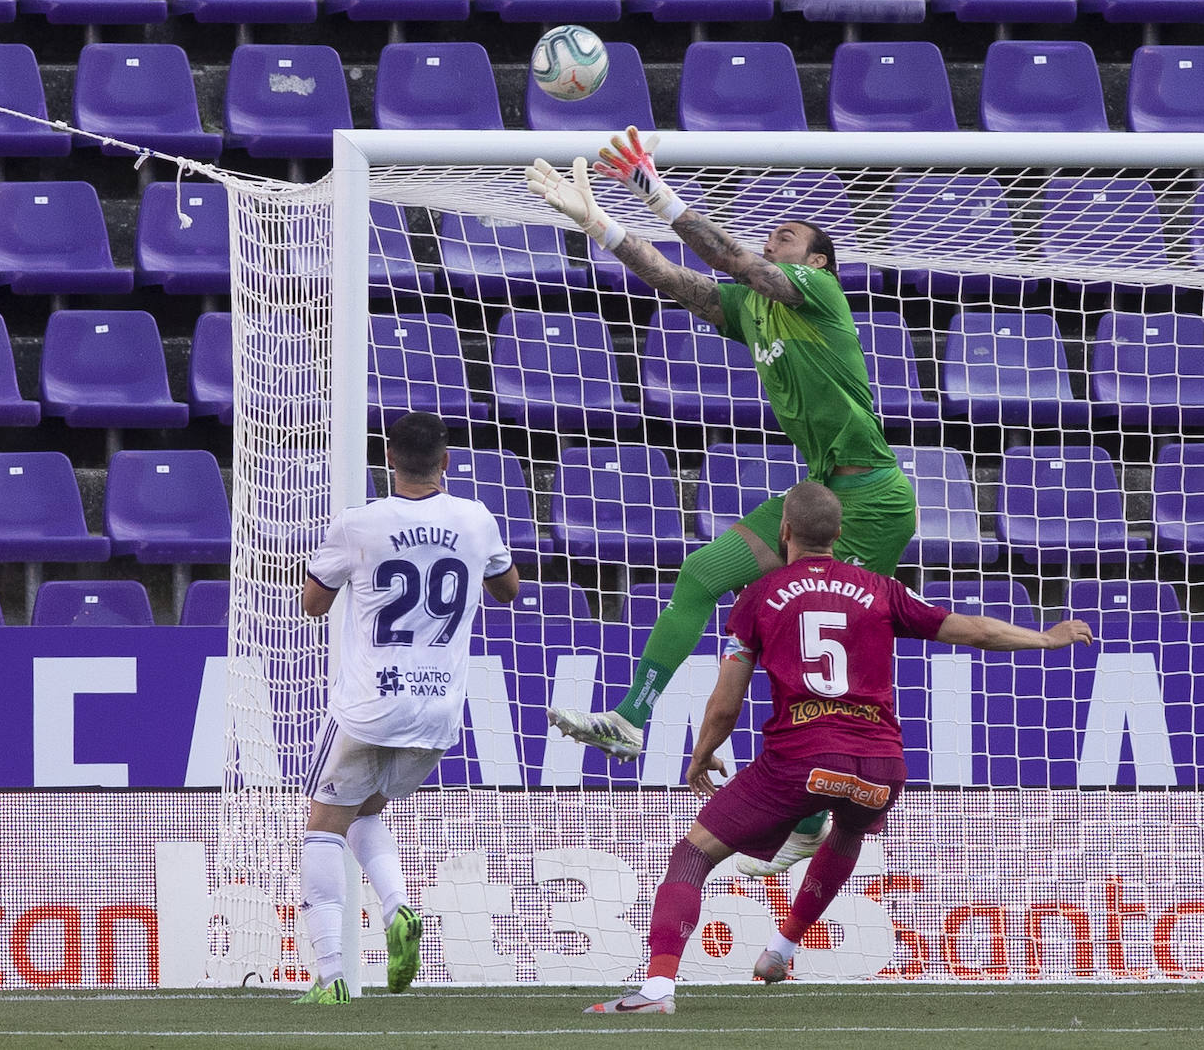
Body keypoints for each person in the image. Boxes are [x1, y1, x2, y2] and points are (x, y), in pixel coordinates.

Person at [526, 127, 917, 876]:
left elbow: (732, 258)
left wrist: (649, 185)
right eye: (775, 231)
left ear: (819, 262)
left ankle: (811, 811)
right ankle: (631, 719)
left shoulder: (818, 294)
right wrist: (598, 224)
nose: (777, 237)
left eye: (792, 235)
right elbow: (684, 281)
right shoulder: (754, 308)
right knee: (704, 573)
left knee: (800, 635)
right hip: (820, 493)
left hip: (874, 497)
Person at [585, 482, 1092, 1013]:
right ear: (840, 532)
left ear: (783, 532)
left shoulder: (758, 597)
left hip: (800, 758)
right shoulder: (882, 588)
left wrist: (703, 751)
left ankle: (658, 989)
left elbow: (725, 702)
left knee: (692, 855)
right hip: (880, 764)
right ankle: (781, 950)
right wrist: (1046, 638)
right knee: (848, 830)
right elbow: (976, 632)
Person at [294, 411, 520, 1004]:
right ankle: (398, 908)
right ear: (446, 461)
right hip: (438, 712)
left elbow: (313, 604)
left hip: (371, 705)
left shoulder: (359, 525)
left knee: (321, 828)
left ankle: (333, 977)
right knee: (366, 812)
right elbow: (509, 589)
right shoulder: (475, 520)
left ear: (388, 459)